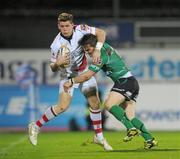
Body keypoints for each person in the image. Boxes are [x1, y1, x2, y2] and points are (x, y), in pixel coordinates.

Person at [28, 12, 112, 151]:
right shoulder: (56, 44)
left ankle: (99, 136)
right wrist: (57, 63)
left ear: (72, 25)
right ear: (58, 26)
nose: (65, 28)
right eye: (62, 26)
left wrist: (97, 50)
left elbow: (101, 32)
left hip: (84, 72)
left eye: (67, 25)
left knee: (95, 103)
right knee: (62, 107)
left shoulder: (81, 29)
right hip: (67, 76)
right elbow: (53, 67)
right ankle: (35, 126)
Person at [63, 34, 158, 149]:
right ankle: (149, 139)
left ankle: (130, 128)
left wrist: (71, 81)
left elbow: (87, 76)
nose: (87, 52)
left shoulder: (100, 57)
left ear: (94, 46)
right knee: (130, 116)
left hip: (124, 82)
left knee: (109, 104)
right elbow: (100, 35)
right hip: (132, 82)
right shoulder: (103, 46)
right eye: (85, 50)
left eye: (88, 49)